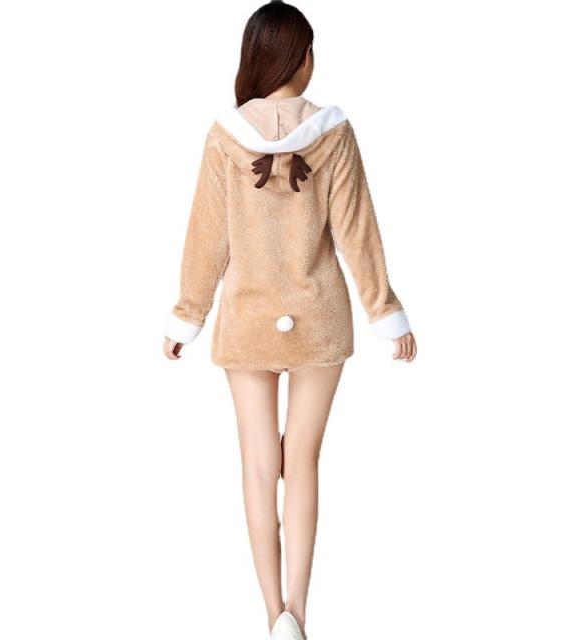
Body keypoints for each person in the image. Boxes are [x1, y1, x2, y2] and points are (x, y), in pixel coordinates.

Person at [163, 2, 417, 638]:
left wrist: (187, 315)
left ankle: (269, 611)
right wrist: (386, 311)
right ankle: (298, 614)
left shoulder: (224, 136)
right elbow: (358, 231)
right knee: (301, 461)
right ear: (301, 58)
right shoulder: (335, 133)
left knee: (258, 464)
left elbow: (207, 238)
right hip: (319, 318)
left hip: (246, 319)